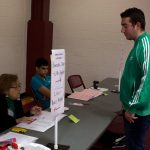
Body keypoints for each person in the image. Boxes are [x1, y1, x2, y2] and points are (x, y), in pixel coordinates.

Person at [120, 7, 150, 150]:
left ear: (137, 25)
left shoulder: (144, 45)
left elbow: (147, 80)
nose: (122, 30)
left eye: (125, 26)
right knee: (131, 145)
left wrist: (132, 108)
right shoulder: (138, 44)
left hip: (136, 112)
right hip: (132, 109)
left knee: (135, 147)